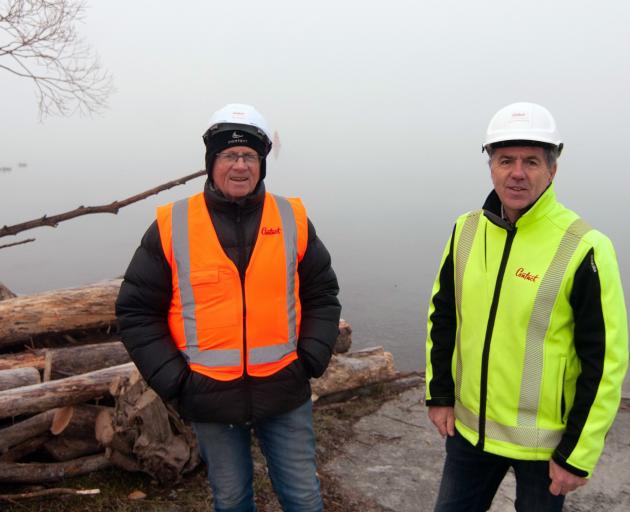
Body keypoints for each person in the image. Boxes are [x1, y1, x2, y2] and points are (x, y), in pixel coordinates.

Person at [115, 103, 341, 512]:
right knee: (232, 499)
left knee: (304, 498)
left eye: (249, 156)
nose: (240, 166)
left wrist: (310, 358)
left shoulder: (291, 217)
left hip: (284, 388)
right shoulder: (173, 223)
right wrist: (175, 381)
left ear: (262, 163)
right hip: (209, 395)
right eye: (228, 155)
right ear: (210, 162)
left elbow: (322, 294)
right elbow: (136, 311)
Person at [425, 102, 628, 511]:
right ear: (491, 167)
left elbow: (604, 361)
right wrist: (440, 394)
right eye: (506, 160)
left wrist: (577, 454)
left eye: (531, 161)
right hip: (469, 436)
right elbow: (444, 316)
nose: (517, 173)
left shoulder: (585, 246)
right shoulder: (466, 230)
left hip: (544, 449)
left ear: (552, 170)